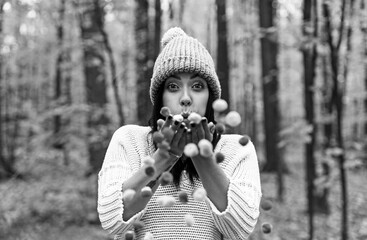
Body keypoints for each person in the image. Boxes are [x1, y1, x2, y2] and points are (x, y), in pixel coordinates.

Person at [97, 27, 262, 240]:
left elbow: (241, 228)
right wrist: (164, 157)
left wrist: (203, 159)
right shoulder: (129, 140)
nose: (185, 98)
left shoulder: (237, 148)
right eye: (173, 86)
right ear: (160, 98)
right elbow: (112, 221)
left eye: (197, 86)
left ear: (210, 97)